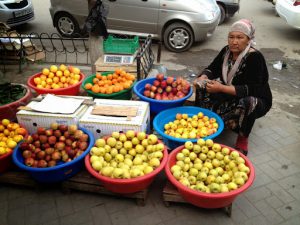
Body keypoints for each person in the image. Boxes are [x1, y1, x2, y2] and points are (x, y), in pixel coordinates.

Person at [194, 19, 272, 156]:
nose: (234, 41)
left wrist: (222, 89)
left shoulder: (255, 58)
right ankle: (203, 122)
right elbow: (213, 68)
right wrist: (203, 77)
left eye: (240, 37)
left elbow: (253, 88)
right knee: (202, 87)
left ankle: (242, 137)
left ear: (248, 40)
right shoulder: (226, 51)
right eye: (231, 37)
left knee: (249, 103)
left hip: (256, 98)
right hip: (230, 92)